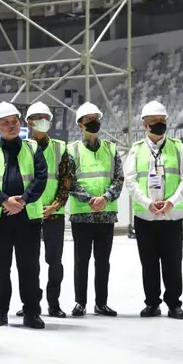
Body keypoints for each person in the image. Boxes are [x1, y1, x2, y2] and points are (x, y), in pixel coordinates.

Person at [0, 101, 48, 329]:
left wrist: (23, 201)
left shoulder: (33, 148)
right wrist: (5, 201)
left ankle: (31, 312)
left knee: (29, 267)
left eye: (14, 121)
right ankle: (0, 312)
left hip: (28, 218)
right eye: (5, 123)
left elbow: (41, 178)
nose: (11, 126)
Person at [124, 100, 183, 320]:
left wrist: (171, 201)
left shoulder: (178, 147)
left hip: (172, 216)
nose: (159, 125)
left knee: (173, 263)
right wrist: (147, 203)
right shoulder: (136, 150)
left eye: (162, 121)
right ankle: (152, 303)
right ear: (144, 124)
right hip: (146, 217)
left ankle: (174, 304)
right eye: (154, 122)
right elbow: (131, 181)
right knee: (149, 263)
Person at [15, 101, 73, 319]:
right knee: (29, 262)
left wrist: (56, 205)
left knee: (54, 261)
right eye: (38, 117)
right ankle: (31, 302)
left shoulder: (60, 147)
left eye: (46, 117)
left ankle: (54, 303)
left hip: (54, 213)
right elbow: (18, 181)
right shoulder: (21, 148)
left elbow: (67, 180)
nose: (43, 121)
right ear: (29, 122)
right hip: (29, 213)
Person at [68, 102, 123, 318]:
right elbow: (69, 181)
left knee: (103, 262)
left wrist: (106, 198)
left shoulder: (110, 148)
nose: (94, 123)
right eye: (89, 120)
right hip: (82, 214)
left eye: (96, 118)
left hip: (106, 214)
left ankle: (101, 303)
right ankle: (80, 302)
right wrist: (91, 199)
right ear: (80, 125)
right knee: (81, 261)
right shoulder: (72, 150)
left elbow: (119, 177)